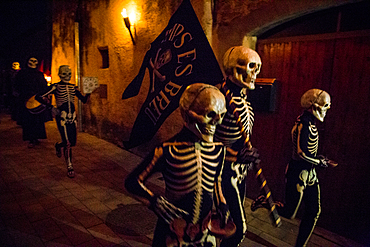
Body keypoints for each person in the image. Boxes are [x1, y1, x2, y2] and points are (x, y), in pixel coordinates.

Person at [125, 83, 232, 247]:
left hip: (204, 231)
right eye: (210, 115)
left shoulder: (219, 150)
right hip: (173, 230)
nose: (216, 123)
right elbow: (133, 182)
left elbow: (215, 181)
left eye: (221, 115)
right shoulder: (167, 150)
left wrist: (222, 203)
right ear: (188, 115)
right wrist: (156, 202)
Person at [251, 89, 337, 247]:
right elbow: (301, 153)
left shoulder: (311, 123)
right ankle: (265, 202)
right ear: (313, 106)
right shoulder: (303, 124)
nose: (327, 109)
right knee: (289, 213)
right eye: (325, 105)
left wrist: (318, 160)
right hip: (297, 173)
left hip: (310, 173)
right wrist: (319, 162)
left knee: (314, 211)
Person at [214, 46, 262, 246]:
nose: (254, 74)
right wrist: (237, 155)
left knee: (232, 222)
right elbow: (205, 144)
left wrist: (247, 156)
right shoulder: (218, 99)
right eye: (250, 67)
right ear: (234, 68)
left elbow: (243, 139)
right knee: (237, 229)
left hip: (239, 171)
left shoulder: (243, 101)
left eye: (257, 68)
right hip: (221, 172)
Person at [36, 65, 90, 178]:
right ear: (60, 75)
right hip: (62, 117)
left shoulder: (73, 87)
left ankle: (58, 145)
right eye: (64, 74)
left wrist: (89, 92)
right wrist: (52, 108)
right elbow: (39, 97)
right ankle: (70, 166)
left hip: (73, 117)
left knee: (72, 142)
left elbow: (83, 100)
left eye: (69, 74)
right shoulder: (56, 87)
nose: (67, 76)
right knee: (68, 143)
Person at [15, 57, 49, 148]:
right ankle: (31, 138)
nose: (33, 63)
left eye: (35, 61)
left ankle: (36, 137)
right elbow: (17, 85)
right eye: (31, 61)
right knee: (28, 119)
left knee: (38, 119)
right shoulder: (22, 74)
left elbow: (43, 86)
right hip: (26, 99)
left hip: (37, 99)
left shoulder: (39, 74)